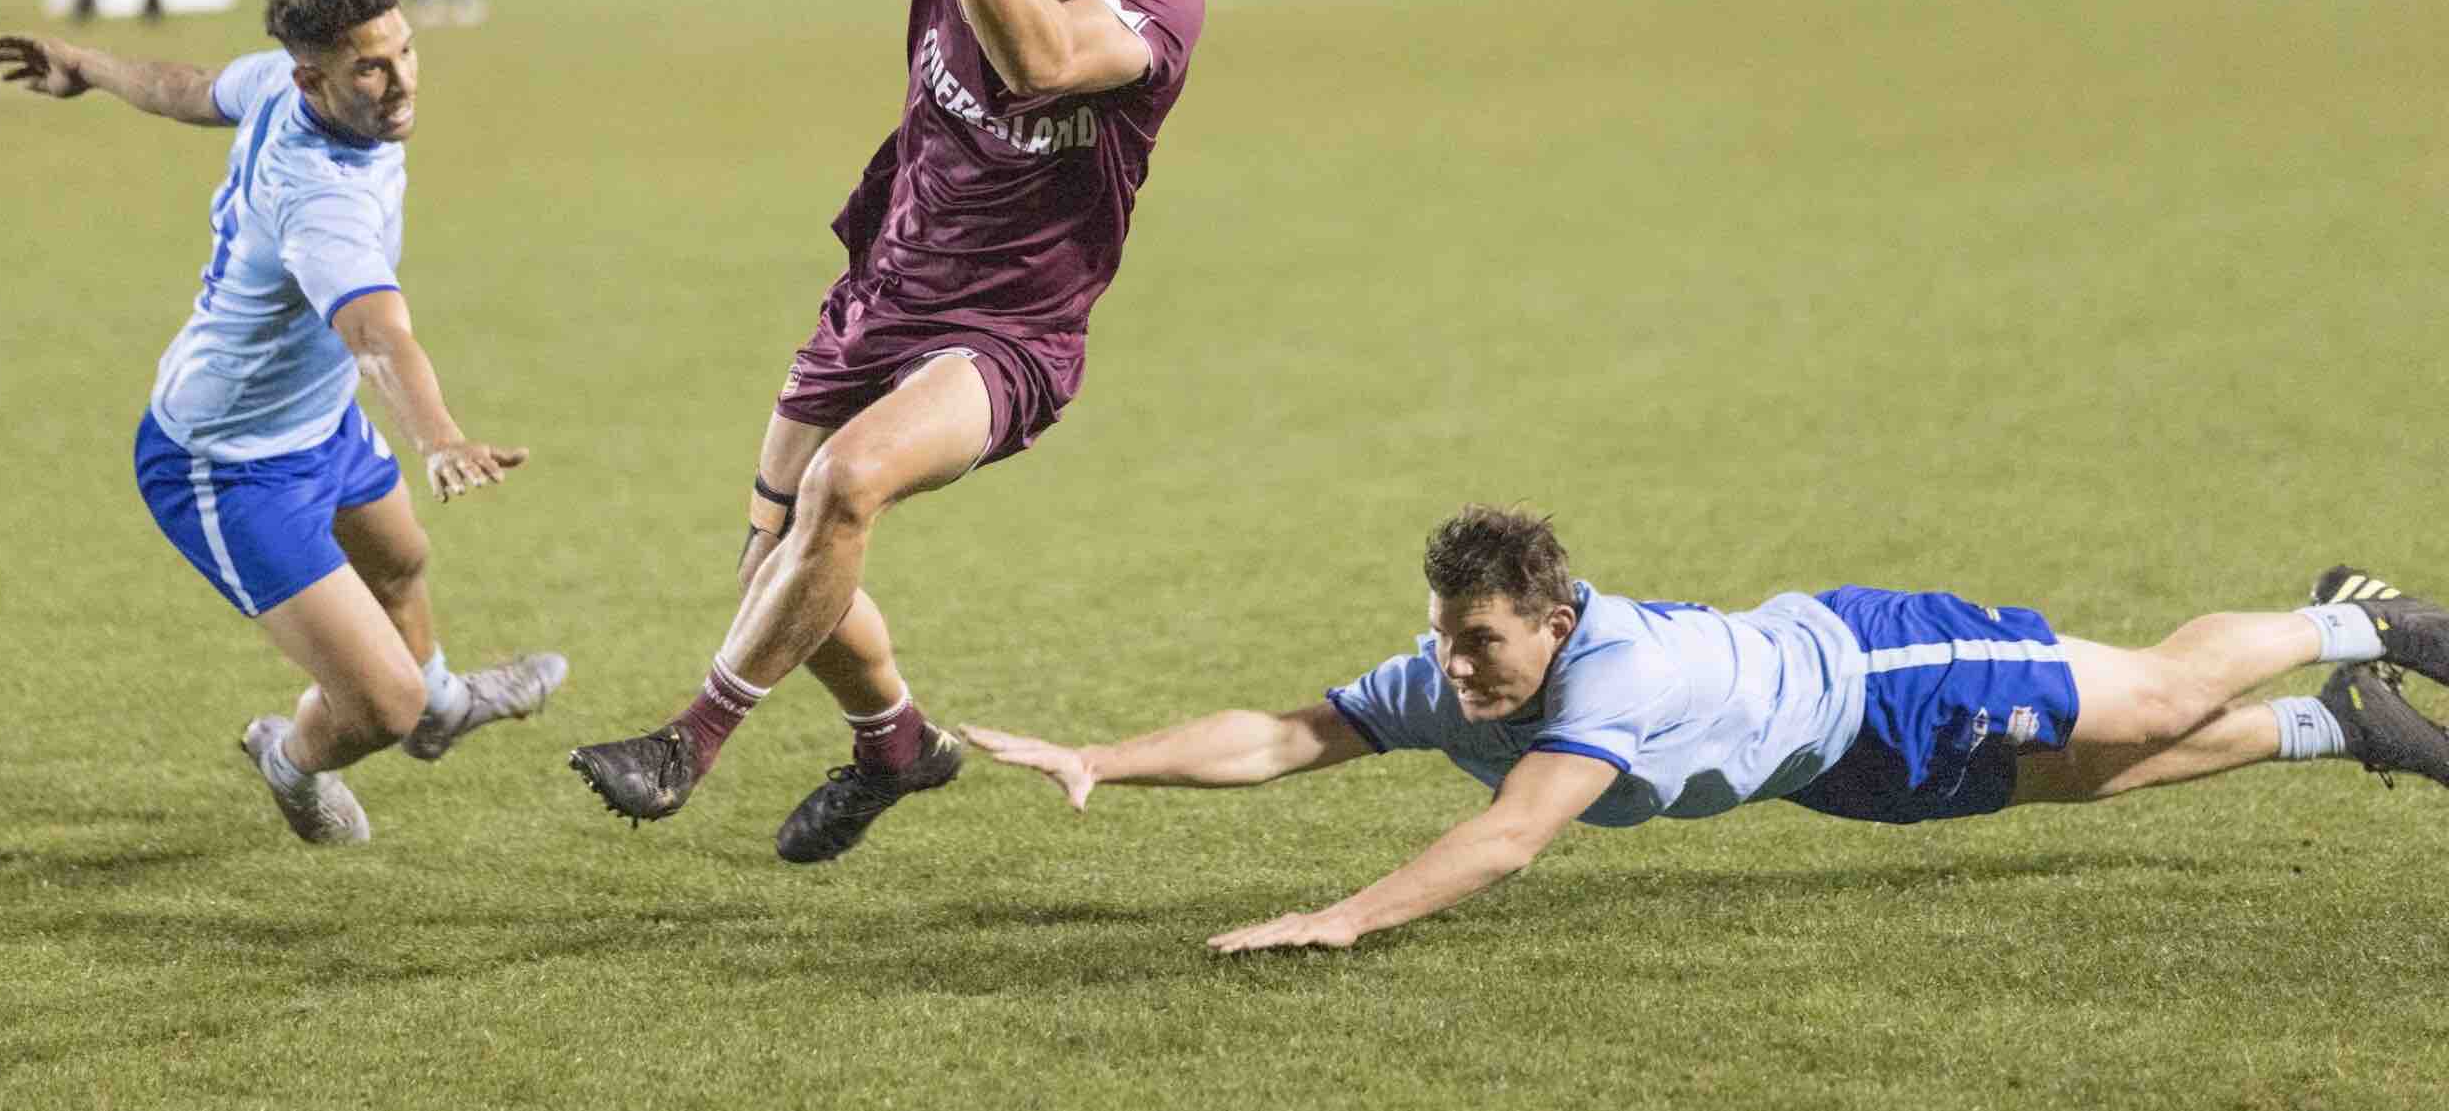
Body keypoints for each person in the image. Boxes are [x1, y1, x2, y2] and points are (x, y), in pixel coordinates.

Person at [567, 0, 1207, 863]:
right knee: (782, 573)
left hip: (1011, 338)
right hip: (884, 292)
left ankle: (688, 740)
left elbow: (1040, 57)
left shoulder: (1157, 4)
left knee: (846, 487)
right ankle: (897, 742)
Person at [965, 506, 2449, 954]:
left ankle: (2368, 623)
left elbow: (1509, 837)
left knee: (2157, 695)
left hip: (1880, 670)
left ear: (1552, 622)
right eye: (1443, 632)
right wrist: (1104, 757)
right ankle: (2341, 728)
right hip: (1835, 768)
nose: (1452, 665)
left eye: (1479, 640)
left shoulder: (1599, 681)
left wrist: (1340, 918)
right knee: (2095, 780)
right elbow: (1284, 736)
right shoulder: (1458, 676)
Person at [0, 0, 566, 846]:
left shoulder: (279, 85)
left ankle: (446, 706)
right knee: (380, 705)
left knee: (401, 561)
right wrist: (440, 433)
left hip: (316, 419)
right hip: (225, 462)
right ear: (315, 76)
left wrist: (89, 67)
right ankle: (292, 759)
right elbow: (378, 335)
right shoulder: (320, 198)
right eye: (372, 66)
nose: (401, 80)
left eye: (405, 51)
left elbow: (191, 84)